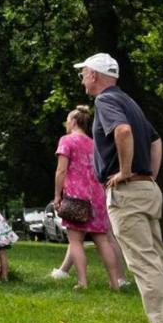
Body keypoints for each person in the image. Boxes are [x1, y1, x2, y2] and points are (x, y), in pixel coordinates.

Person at [76, 52, 163, 323]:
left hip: (128, 192)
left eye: (84, 72)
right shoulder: (129, 101)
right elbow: (155, 140)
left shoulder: (105, 100)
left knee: (143, 261)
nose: (82, 78)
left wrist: (126, 172)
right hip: (146, 188)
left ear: (95, 75)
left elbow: (122, 132)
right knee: (159, 258)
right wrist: (148, 175)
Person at [50, 105, 125, 290]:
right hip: (97, 197)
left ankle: (82, 282)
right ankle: (115, 282)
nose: (67, 123)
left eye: (68, 120)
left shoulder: (67, 140)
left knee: (75, 241)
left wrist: (57, 195)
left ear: (74, 121)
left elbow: (61, 170)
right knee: (103, 241)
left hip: (76, 197)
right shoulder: (94, 144)